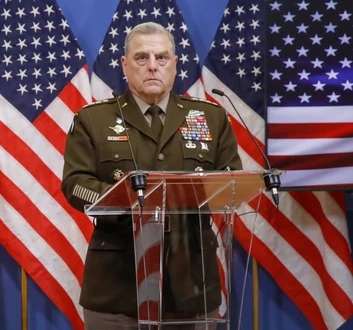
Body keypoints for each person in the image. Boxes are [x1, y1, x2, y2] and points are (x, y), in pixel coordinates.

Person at [61, 21, 242, 329]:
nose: (153, 66)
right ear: (125, 65)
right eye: (141, 58)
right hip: (117, 286)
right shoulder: (94, 119)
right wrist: (126, 201)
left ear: (175, 64)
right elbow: (75, 184)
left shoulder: (211, 117)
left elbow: (232, 182)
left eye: (161, 58)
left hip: (192, 285)